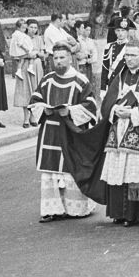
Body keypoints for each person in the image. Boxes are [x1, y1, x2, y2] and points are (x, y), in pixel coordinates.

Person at [96, 41, 139, 226]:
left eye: (133, 55)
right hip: (118, 129)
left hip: (138, 130)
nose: (128, 59)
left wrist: (133, 113)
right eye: (126, 55)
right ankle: (118, 212)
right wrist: (114, 109)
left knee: (134, 173)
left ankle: (133, 214)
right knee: (117, 170)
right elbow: (108, 101)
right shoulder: (120, 76)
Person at [29, 43, 99, 222]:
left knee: (70, 167)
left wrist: (69, 111)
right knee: (51, 169)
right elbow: (35, 100)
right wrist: (43, 109)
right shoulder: (47, 80)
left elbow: (90, 106)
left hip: (71, 132)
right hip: (50, 132)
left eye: (62, 57)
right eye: (56, 58)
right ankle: (52, 209)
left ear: (70, 58)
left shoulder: (80, 81)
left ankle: (75, 208)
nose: (58, 61)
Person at [9, 19, 39, 128]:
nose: (32, 30)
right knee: (25, 91)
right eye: (30, 27)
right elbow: (15, 55)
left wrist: (36, 54)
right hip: (23, 67)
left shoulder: (38, 39)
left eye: (35, 28)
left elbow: (42, 53)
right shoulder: (20, 37)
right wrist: (27, 55)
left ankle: (33, 116)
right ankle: (26, 117)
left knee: (35, 91)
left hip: (35, 67)